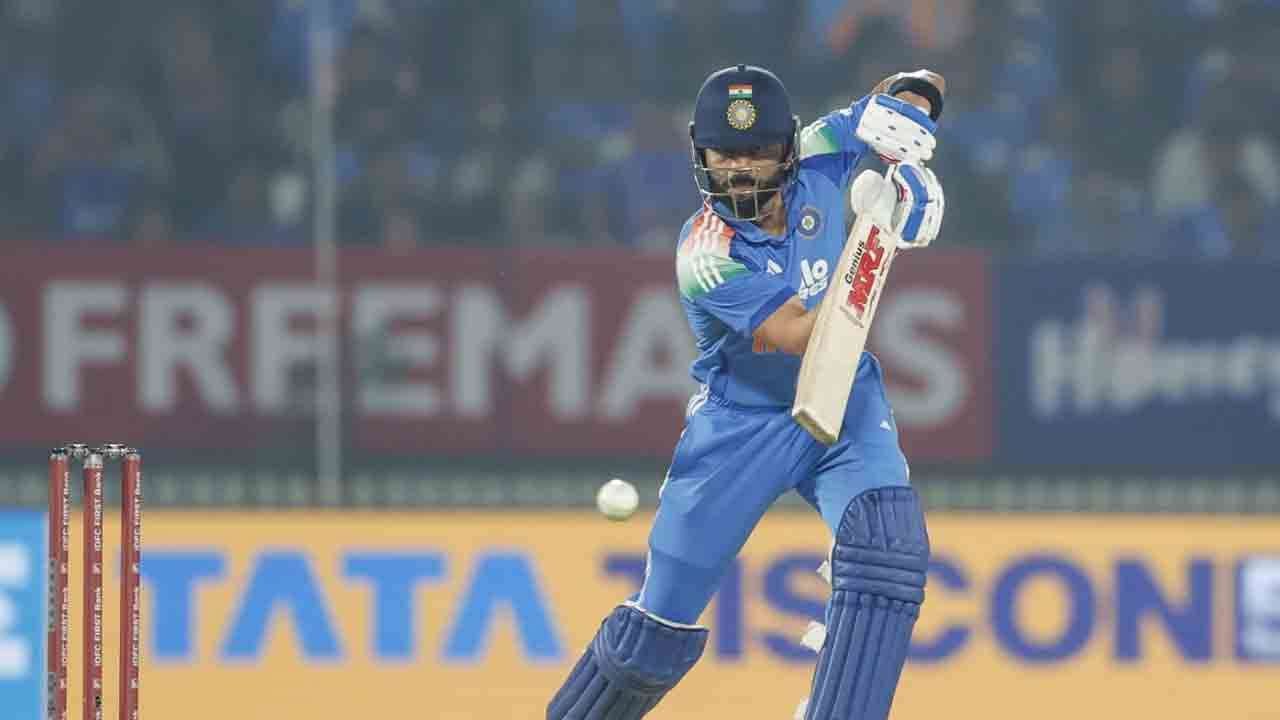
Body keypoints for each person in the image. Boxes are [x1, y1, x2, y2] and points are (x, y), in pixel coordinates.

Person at [547, 63, 946, 720]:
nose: (739, 170)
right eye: (723, 154)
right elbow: (801, 335)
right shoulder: (705, 253)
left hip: (842, 401)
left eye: (756, 153)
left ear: (788, 149)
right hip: (739, 430)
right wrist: (880, 231)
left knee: (888, 551)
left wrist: (911, 118)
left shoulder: (823, 150)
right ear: (699, 155)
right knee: (653, 638)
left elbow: (916, 92)